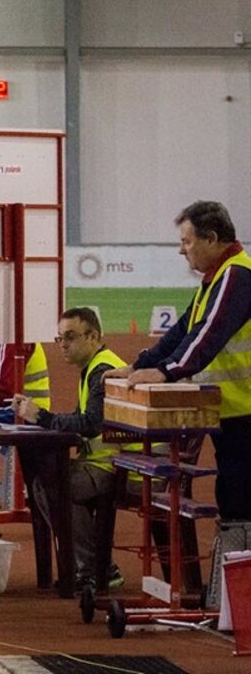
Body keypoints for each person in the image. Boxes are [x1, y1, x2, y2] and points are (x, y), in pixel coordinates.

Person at [106, 200, 251, 522]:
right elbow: (184, 328)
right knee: (233, 492)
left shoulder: (236, 275)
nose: (181, 250)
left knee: (240, 496)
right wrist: (141, 365)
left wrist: (166, 371)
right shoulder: (218, 277)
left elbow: (208, 333)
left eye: (187, 241)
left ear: (211, 239)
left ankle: (239, 550)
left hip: (245, 411)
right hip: (233, 409)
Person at [14, 307, 127, 591]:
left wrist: (42, 417)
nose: (63, 344)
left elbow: (90, 424)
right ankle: (97, 566)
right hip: (115, 462)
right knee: (50, 483)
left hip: (121, 466)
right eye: (60, 338)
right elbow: (82, 420)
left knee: (52, 486)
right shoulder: (94, 367)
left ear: (93, 337)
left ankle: (95, 569)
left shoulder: (102, 371)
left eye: (70, 337)